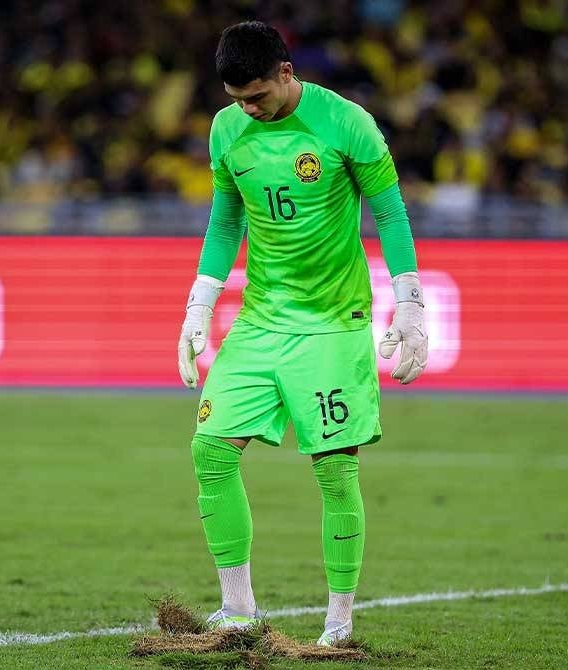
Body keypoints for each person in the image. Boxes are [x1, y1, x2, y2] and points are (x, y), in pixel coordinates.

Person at [177, 20, 428, 647]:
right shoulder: (226, 130)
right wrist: (199, 306)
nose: (249, 109)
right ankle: (238, 609)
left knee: (334, 470)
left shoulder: (347, 123)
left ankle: (338, 624)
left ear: (286, 73)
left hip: (333, 324)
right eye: (237, 99)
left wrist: (410, 304)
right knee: (210, 451)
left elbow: (391, 214)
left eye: (258, 96)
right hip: (261, 319)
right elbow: (226, 221)